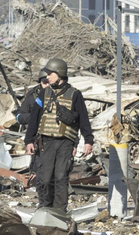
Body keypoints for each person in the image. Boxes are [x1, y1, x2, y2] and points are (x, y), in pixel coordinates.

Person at [21, 58, 93, 215]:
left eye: (50, 74)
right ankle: (45, 208)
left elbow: (83, 119)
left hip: (65, 143)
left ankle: (59, 211)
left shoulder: (75, 95)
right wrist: (29, 140)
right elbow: (34, 118)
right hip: (45, 142)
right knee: (45, 179)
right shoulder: (43, 94)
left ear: (59, 74)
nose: (47, 77)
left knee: (61, 177)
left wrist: (88, 140)